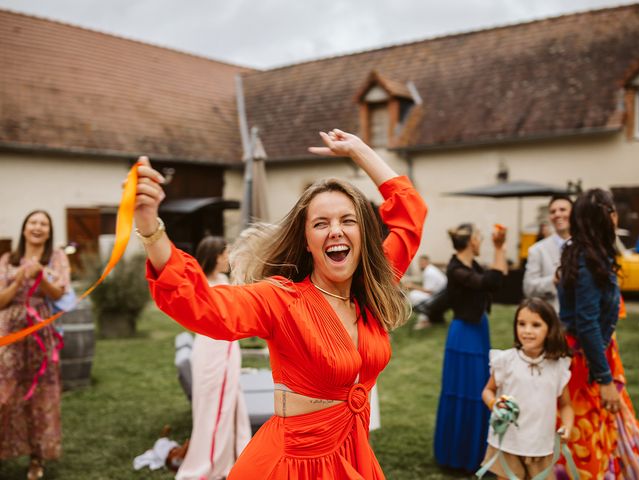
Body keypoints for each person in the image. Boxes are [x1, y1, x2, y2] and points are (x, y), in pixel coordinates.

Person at [133, 128, 427, 479]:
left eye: (347, 220)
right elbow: (204, 304)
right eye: (321, 223)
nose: (336, 230)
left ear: (364, 233)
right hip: (294, 464)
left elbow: (410, 213)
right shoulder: (283, 299)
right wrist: (151, 228)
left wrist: (359, 151)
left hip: (352, 452)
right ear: (306, 241)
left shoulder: (372, 289)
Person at [557, 188, 639, 478]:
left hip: (589, 355)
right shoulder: (587, 260)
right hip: (584, 363)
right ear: (603, 217)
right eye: (612, 210)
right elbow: (587, 323)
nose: (617, 216)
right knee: (586, 441)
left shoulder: (585, 252)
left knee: (599, 437)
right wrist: (604, 379)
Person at [0, 210, 71, 480]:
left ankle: (36, 458)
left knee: (40, 398)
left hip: (41, 333)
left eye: (44, 223)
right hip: (10, 332)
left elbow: (59, 293)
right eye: (33, 222)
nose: (38, 227)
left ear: (50, 231)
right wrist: (19, 278)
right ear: (24, 227)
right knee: (4, 396)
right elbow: (0, 301)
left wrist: (40, 274)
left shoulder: (57, 258)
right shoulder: (8, 259)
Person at [433, 223, 507, 472]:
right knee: (465, 392)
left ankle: (477, 453)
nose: (482, 240)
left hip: (477, 331)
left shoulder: (471, 265)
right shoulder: (456, 269)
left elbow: (499, 276)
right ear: (470, 242)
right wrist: (498, 247)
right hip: (464, 335)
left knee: (479, 391)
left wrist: (500, 249)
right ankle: (458, 457)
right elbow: (491, 281)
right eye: (479, 237)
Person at [176, 236, 251, 480]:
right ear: (216, 256)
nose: (228, 257)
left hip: (226, 348)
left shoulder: (223, 279)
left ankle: (234, 457)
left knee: (231, 404)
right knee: (213, 407)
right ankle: (209, 465)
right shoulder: (204, 285)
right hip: (213, 350)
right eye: (226, 253)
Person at [480, 297, 574, 479]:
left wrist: (567, 427)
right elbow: (487, 391)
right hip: (508, 442)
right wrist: (494, 404)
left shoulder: (557, 367)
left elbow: (566, 405)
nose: (527, 331)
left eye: (536, 325)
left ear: (549, 329)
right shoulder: (505, 361)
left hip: (540, 445)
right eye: (521, 324)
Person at [523, 194, 572, 312]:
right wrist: (553, 280)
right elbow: (528, 288)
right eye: (553, 211)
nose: (557, 214)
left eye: (562, 210)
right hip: (551, 317)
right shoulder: (537, 250)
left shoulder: (585, 247)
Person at [404, 254, 447, 329]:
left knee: (414, 295)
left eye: (422, 262)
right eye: (419, 262)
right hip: (441, 295)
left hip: (438, 297)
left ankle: (425, 321)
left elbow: (429, 291)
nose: (420, 264)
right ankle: (425, 319)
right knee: (415, 295)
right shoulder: (430, 269)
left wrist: (412, 286)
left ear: (427, 262)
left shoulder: (429, 272)